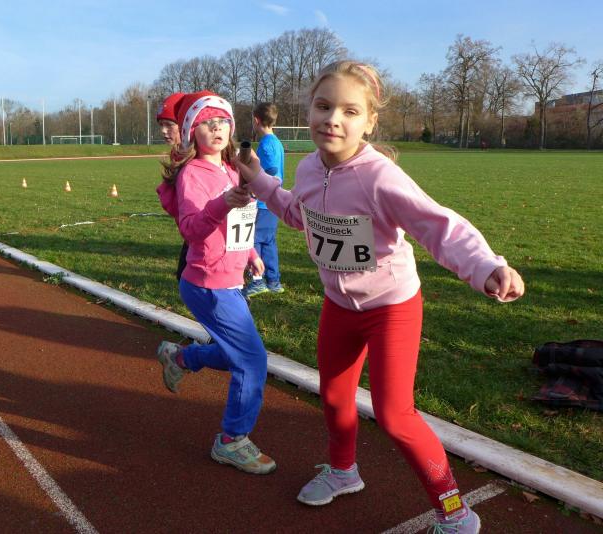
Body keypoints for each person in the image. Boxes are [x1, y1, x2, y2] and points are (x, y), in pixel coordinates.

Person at [236, 61, 524, 533]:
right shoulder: (309, 168)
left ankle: (455, 513)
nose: (333, 119)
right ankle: (343, 472)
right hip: (339, 306)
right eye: (323, 106)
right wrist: (260, 181)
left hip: (391, 308)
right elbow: (297, 214)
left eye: (349, 111)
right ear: (308, 112)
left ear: (369, 122)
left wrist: (485, 266)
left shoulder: (379, 178)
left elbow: (437, 225)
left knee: (395, 415)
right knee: (334, 397)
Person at [156, 90, 276, 475]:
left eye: (223, 121)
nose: (217, 128)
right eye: (207, 123)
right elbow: (191, 229)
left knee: (232, 353)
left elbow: (237, 224)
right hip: (207, 283)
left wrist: (251, 254)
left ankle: (181, 358)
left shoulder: (230, 168)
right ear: (192, 131)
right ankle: (231, 441)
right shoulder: (192, 174)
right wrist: (223, 202)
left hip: (229, 279)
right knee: (252, 361)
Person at [244, 102, 285, 297]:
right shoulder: (275, 142)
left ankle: (258, 281)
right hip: (272, 203)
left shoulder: (267, 145)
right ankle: (274, 281)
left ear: (256, 120)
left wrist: (254, 187)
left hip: (263, 203)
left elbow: (271, 172)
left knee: (254, 241)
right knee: (268, 242)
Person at [154, 93, 189, 280]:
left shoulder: (199, 157)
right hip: (192, 233)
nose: (163, 131)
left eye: (169, 125)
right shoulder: (178, 153)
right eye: (161, 125)